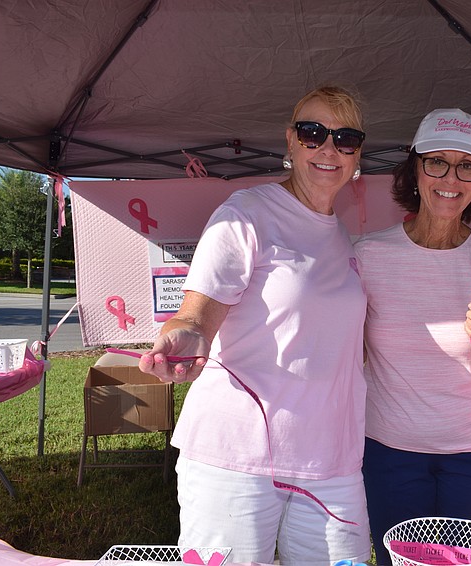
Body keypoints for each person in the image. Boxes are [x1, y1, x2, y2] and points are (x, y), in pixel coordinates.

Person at [138, 86, 371, 565]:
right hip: (237, 458)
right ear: (290, 140)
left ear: (356, 153)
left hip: (330, 460)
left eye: (345, 138)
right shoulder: (246, 214)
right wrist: (189, 332)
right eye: (313, 133)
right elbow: (197, 312)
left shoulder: (343, 236)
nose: (328, 148)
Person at [353, 108, 471, 565]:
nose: (451, 177)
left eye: (467, 165)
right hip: (391, 449)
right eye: (437, 162)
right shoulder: (369, 255)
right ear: (415, 168)